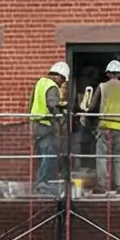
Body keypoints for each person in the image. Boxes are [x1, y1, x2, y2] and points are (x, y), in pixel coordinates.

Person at [29, 60, 72, 196]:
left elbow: (33, 102)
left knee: (43, 155)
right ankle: (43, 184)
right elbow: (52, 104)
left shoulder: (40, 82)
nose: (62, 84)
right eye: (63, 80)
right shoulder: (53, 86)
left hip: (36, 124)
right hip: (45, 125)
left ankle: (43, 183)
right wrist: (60, 118)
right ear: (59, 76)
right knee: (49, 155)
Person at [92, 59, 120, 192]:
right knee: (119, 157)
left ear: (108, 74)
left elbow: (92, 106)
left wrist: (84, 112)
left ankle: (102, 185)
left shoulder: (102, 87)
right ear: (119, 74)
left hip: (105, 126)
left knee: (102, 156)